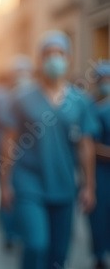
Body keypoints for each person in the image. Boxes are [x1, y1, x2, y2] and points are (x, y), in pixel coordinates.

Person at [0, 30, 99, 269]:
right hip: (29, 184)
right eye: (49, 54)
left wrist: (89, 186)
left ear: (69, 59)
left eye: (60, 53)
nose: (55, 59)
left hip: (64, 186)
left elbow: (85, 146)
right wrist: (4, 184)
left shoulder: (80, 101)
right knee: (36, 244)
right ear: (40, 59)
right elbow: (9, 142)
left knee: (58, 256)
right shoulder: (22, 97)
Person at [0, 55, 34, 249]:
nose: (22, 76)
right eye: (18, 72)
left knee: (25, 193)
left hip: (31, 157)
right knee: (7, 187)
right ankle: (9, 232)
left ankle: (22, 229)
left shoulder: (35, 97)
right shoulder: (3, 98)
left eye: (25, 72)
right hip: (4, 150)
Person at [89, 61, 110, 269]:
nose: (106, 84)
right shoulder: (93, 109)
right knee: (99, 218)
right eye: (102, 80)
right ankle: (99, 256)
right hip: (100, 174)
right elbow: (89, 146)